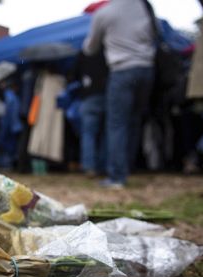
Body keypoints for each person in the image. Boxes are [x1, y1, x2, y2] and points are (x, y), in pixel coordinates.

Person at [83, 0, 156, 188]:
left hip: (122, 70)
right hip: (147, 69)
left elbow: (90, 48)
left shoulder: (105, 12)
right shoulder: (144, 6)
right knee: (134, 120)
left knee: (117, 123)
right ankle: (128, 167)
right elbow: (156, 34)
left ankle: (117, 177)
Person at [72, 51, 109, 177]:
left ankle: (89, 167)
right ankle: (104, 166)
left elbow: (74, 75)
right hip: (107, 95)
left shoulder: (84, 52)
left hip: (89, 96)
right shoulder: (109, 50)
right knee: (107, 133)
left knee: (88, 134)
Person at [0, 80, 22, 169]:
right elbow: (12, 114)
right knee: (8, 146)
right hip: (9, 126)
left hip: (2, 124)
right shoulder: (12, 97)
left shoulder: (5, 95)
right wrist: (15, 126)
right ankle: (6, 164)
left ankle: (1, 164)